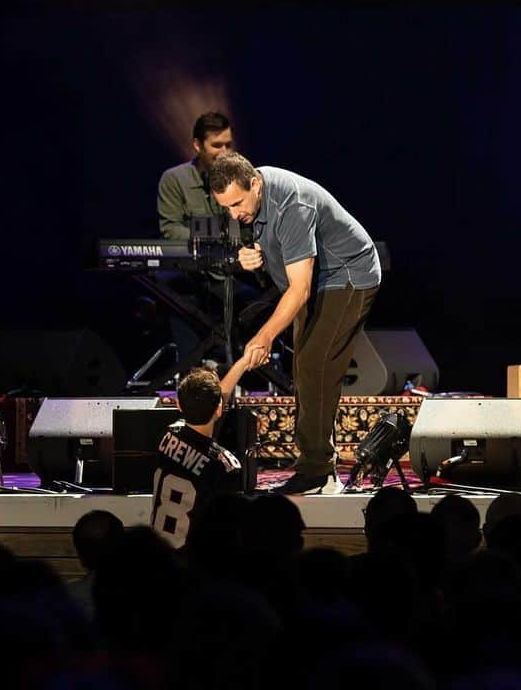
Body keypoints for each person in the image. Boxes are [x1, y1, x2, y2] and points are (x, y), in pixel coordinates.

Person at [208, 151, 381, 494]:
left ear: (255, 183)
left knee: (315, 365)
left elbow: (300, 290)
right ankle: (316, 462)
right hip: (313, 281)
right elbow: (277, 256)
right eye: (225, 208)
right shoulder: (252, 199)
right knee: (304, 367)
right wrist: (249, 254)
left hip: (347, 274)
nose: (234, 213)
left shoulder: (293, 204)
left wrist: (265, 336)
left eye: (237, 203)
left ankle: (317, 472)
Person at [151, 354, 250, 548]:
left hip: (159, 558)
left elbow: (215, 400)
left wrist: (242, 364)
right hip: (195, 566)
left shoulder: (166, 435)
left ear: (178, 404)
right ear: (219, 410)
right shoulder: (225, 464)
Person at [157, 111, 236, 240]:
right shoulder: (173, 179)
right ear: (197, 145)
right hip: (192, 256)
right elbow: (170, 228)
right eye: (217, 145)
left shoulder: (237, 178)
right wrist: (211, 238)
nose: (224, 152)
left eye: (228, 145)